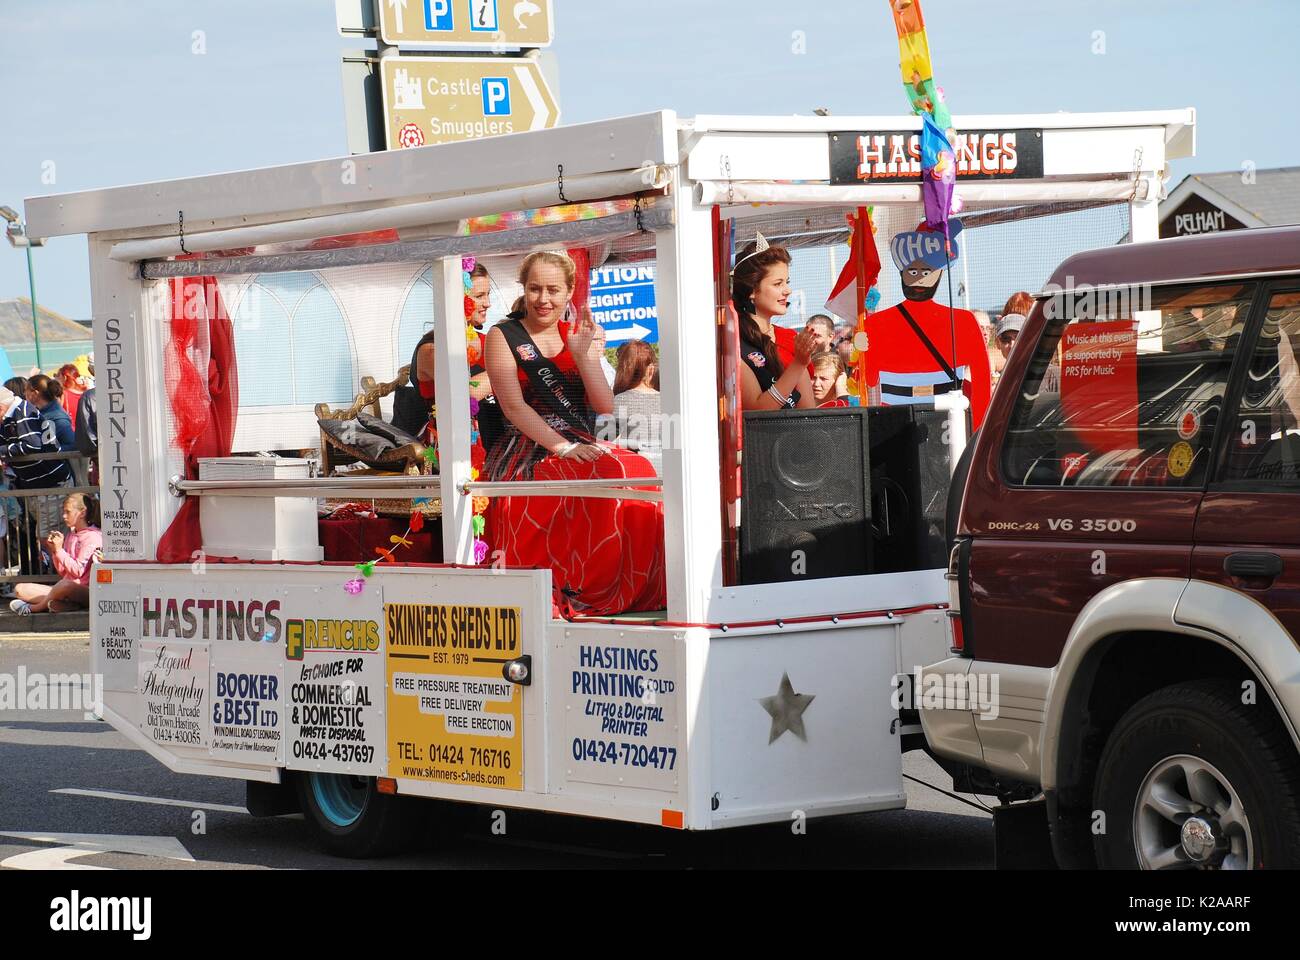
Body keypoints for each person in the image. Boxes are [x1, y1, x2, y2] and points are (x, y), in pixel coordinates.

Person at [483, 251, 664, 616]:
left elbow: (604, 406)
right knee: (610, 469)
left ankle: (628, 585)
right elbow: (513, 408)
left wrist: (584, 357)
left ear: (569, 293)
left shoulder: (576, 334)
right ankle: (583, 586)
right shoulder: (502, 336)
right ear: (523, 288)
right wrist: (562, 448)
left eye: (553, 290)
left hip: (580, 438)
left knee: (639, 467)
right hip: (529, 445)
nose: (543, 299)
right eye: (535, 289)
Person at [862, 220, 992, 428]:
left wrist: (979, 432)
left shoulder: (963, 321)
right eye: (913, 272)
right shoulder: (875, 324)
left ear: (940, 273)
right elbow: (867, 380)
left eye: (927, 272)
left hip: (947, 419)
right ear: (902, 272)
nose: (920, 279)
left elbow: (982, 384)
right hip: (899, 419)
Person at [732, 235, 817, 410]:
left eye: (787, 282)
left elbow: (808, 412)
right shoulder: (733, 342)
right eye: (778, 284)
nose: (788, 290)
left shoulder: (790, 338)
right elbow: (758, 410)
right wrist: (798, 364)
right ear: (752, 290)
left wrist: (800, 363)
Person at [9, 493, 102, 615]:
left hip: (86, 591)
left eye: (67, 512)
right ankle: (68, 604)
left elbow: (78, 571)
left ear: (82, 513)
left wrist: (59, 551)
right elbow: (63, 572)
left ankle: (34, 608)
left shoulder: (93, 537)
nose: (64, 516)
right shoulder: (71, 535)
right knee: (19, 589)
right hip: (64, 588)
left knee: (65, 584)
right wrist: (54, 551)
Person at [609, 339, 662, 473]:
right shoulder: (668, 400)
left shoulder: (619, 400)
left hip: (637, 473)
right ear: (650, 369)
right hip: (669, 471)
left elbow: (607, 442)